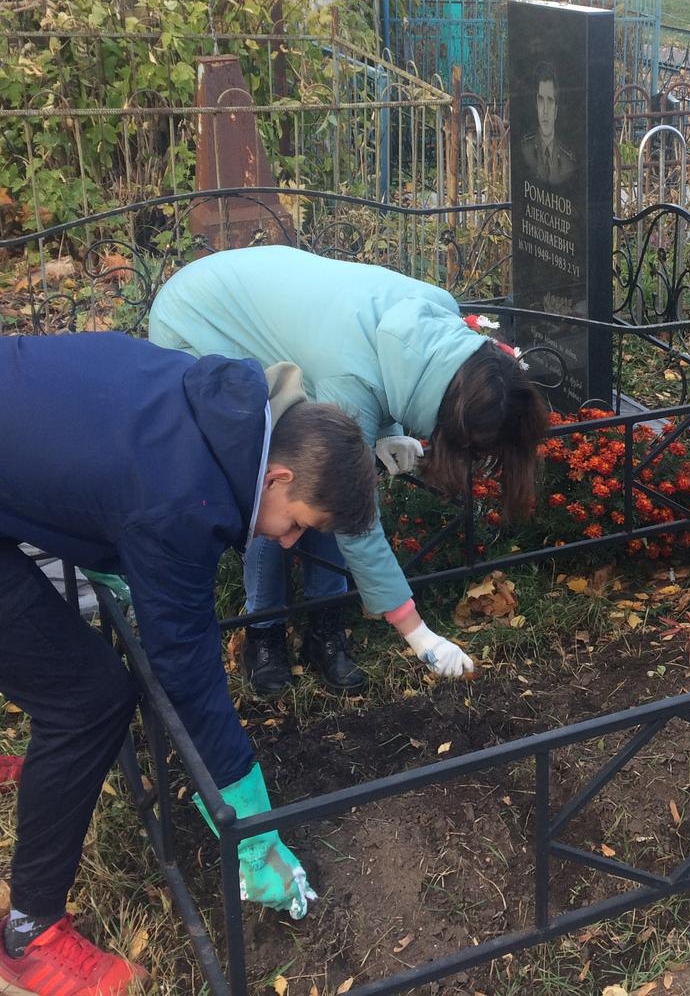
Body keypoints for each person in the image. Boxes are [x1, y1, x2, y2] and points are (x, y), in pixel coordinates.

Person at [0, 332, 379, 996]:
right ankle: (29, 939)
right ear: (278, 478)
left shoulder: (219, 409)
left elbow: (96, 468)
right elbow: (185, 668)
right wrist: (247, 815)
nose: (290, 541)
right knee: (88, 700)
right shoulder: (185, 498)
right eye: (298, 522)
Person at [149, 247, 549, 695]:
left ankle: (324, 626)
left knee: (325, 486)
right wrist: (418, 633)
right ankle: (264, 631)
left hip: (272, 313)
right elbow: (357, 519)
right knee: (273, 485)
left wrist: (388, 431)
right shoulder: (349, 381)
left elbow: (397, 372)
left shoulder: (438, 311)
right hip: (201, 323)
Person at [520, 58, 575, 185]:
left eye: (550, 101)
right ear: (536, 105)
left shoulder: (568, 162)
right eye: (541, 100)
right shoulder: (525, 150)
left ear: (556, 109)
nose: (545, 110)